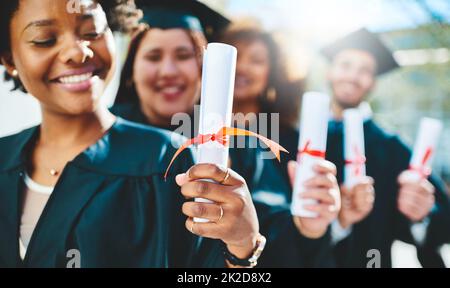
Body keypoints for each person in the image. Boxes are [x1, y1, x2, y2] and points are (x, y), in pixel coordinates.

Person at [0, 0, 263, 268]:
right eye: (45, 39)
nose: (78, 52)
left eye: (92, 32)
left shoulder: (170, 159)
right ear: (9, 58)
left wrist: (242, 248)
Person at [112, 4, 341, 267]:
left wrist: (306, 228)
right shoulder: (101, 137)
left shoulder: (239, 143)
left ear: (203, 68)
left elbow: (273, 231)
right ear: (131, 70)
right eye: (153, 56)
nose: (168, 70)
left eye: (183, 55)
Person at [321, 28, 450, 267]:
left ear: (373, 83)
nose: (352, 76)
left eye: (364, 70)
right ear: (330, 72)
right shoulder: (301, 139)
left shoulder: (392, 147)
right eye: (345, 65)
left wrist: (421, 216)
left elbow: (444, 222)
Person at [220, 24, 344, 267]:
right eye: (236, 55)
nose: (241, 66)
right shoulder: (192, 130)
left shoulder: (289, 141)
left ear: (272, 73)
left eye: (256, 60)